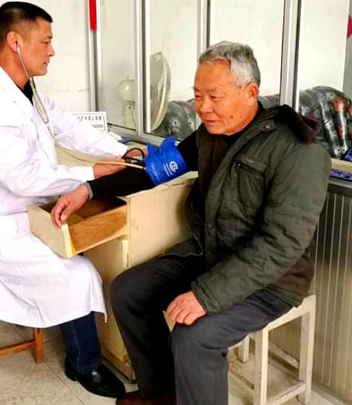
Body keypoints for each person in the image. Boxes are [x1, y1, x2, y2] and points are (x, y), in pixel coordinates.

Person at [51, 41, 331, 405]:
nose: (202, 107)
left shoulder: (298, 151)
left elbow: (280, 247)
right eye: (197, 95)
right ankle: (164, 395)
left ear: (250, 93)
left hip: (272, 280)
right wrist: (89, 190)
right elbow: (153, 172)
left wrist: (206, 295)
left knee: (194, 335)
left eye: (214, 96)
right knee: (128, 291)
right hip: (211, 254)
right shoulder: (209, 134)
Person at [0, 1, 126, 398]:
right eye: (46, 42)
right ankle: (84, 363)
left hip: (30, 212)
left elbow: (69, 128)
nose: (52, 51)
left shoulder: (25, 90)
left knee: (91, 243)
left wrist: (122, 151)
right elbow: (21, 178)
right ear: (15, 42)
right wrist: (91, 175)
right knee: (77, 273)